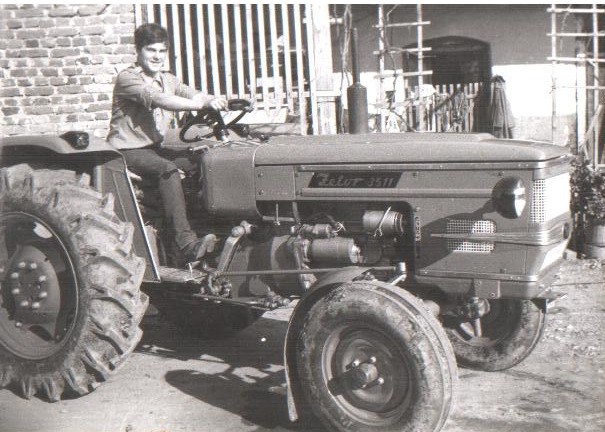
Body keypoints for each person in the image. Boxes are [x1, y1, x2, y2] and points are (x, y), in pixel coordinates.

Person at [107, 23, 227, 263]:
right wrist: (201, 105)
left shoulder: (167, 78)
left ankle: (215, 229)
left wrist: (217, 100)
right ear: (138, 51)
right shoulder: (128, 79)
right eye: (151, 50)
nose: (157, 56)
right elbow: (161, 100)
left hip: (153, 148)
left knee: (204, 159)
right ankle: (185, 244)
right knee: (168, 170)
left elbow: (193, 94)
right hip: (127, 150)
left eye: (162, 51)